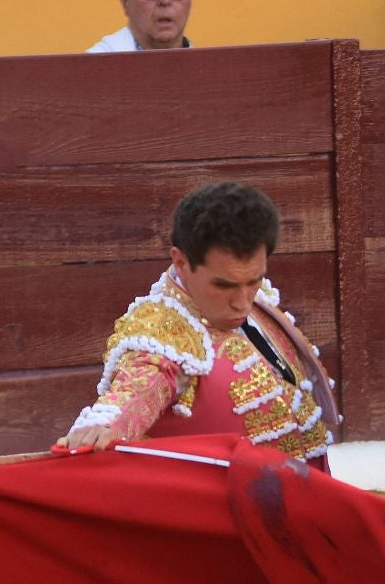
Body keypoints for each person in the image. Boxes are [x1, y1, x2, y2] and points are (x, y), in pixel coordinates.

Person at [57, 182, 337, 464]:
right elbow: (137, 390)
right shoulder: (163, 333)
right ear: (181, 263)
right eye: (223, 285)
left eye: (253, 281)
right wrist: (103, 427)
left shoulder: (259, 301)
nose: (242, 302)